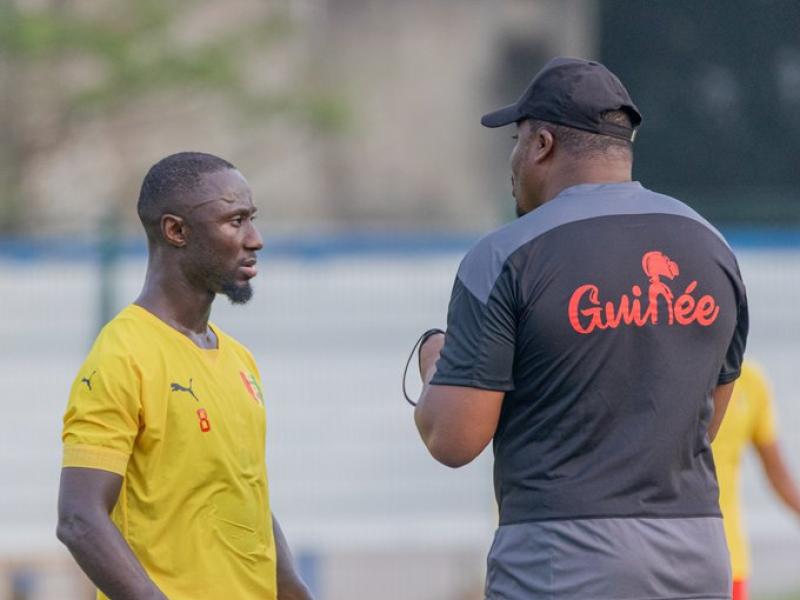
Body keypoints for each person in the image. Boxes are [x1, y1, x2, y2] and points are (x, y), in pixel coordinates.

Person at [412, 57, 748, 599]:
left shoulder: (505, 255)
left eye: (517, 142)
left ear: (541, 144)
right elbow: (704, 419)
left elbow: (454, 439)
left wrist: (435, 362)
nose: (514, 162)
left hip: (562, 561)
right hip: (697, 555)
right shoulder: (712, 246)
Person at [56, 152, 313, 600]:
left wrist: (295, 593)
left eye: (252, 219)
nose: (256, 239)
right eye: (235, 222)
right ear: (176, 231)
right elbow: (79, 518)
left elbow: (246, 500)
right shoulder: (123, 354)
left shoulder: (238, 360)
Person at [712, 362, 800, 600]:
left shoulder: (751, 382)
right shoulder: (674, 378)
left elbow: (776, 470)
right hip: (669, 548)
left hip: (729, 556)